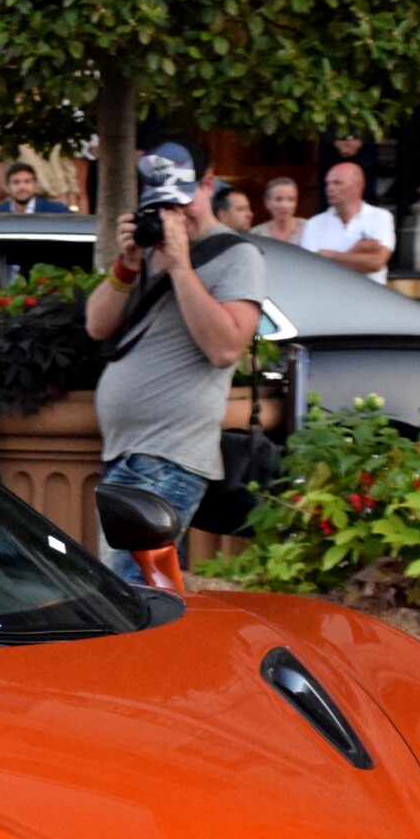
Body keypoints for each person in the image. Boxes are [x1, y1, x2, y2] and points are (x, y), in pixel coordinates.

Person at [82, 142, 266, 581]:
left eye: (179, 202)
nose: (172, 216)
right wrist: (127, 267)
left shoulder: (238, 257)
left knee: (133, 589)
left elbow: (225, 349)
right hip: (126, 453)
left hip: (170, 456)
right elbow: (97, 326)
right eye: (161, 205)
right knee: (149, 590)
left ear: (208, 183)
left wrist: (182, 268)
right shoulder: (150, 254)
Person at [301, 160, 396, 283]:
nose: (329, 188)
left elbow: (376, 263)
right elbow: (313, 268)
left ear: (358, 186)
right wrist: (356, 251)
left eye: (337, 183)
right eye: (328, 184)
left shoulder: (380, 217)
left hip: (369, 298)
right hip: (329, 298)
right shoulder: (315, 223)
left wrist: (328, 255)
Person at [0, 162, 72, 215]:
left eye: (27, 182)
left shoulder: (57, 212)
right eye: (16, 182)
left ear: (35, 186)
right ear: (7, 187)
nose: (22, 187)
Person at [259, 176, 304, 243]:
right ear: (267, 203)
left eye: (291, 199)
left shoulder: (310, 228)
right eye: (278, 199)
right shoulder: (257, 234)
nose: (285, 205)